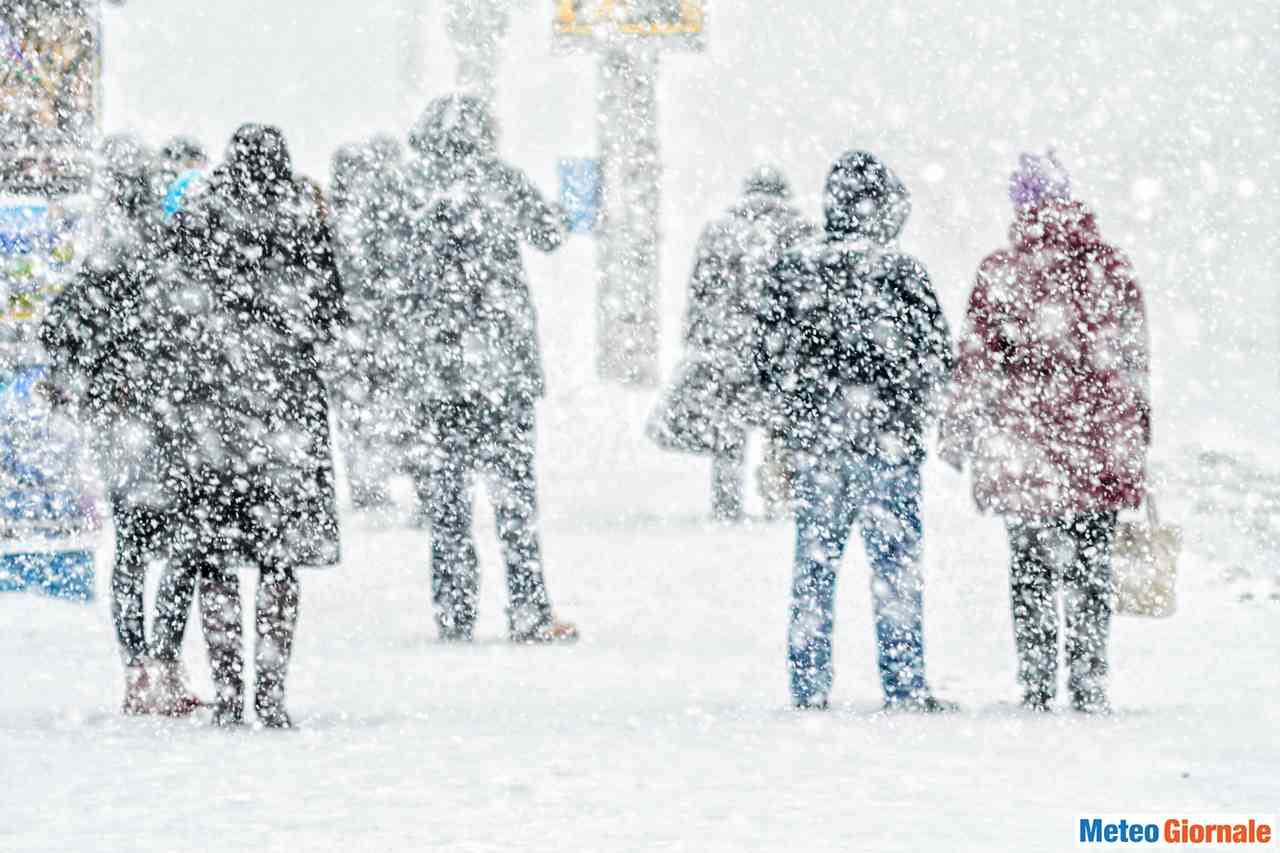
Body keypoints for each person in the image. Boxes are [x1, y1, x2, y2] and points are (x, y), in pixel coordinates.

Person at [940, 151, 1150, 714]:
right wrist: (1136, 441)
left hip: (1025, 446)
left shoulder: (1001, 271)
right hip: (1098, 444)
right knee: (1091, 569)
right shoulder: (1112, 268)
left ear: (1020, 205)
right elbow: (1133, 363)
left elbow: (977, 361)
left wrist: (957, 434)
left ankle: (1036, 687)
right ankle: (1088, 684)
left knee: (1030, 570)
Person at [373, 94, 576, 644]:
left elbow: (374, 262)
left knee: (447, 500)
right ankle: (530, 612)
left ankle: (455, 613)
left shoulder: (403, 187)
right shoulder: (499, 180)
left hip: (436, 373)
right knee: (515, 499)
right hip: (501, 371)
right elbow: (550, 235)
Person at [757, 150, 956, 712]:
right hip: (888, 445)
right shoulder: (901, 272)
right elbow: (939, 358)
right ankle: (904, 684)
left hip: (819, 443)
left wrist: (799, 410)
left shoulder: (793, 268)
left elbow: (767, 360)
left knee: (814, 569)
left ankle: (809, 685)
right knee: (895, 569)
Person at [170, 124, 346, 727]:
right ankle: (270, 695)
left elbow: (173, 310)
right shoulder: (303, 217)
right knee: (280, 560)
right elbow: (330, 313)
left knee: (215, 559)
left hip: (213, 413)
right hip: (285, 412)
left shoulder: (200, 218)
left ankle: (228, 695)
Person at [40, 133, 202, 716]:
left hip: (119, 415)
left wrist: (89, 378)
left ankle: (137, 670)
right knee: (183, 546)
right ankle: (167, 661)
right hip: (176, 416)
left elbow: (57, 332)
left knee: (132, 546)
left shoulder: (104, 256)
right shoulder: (173, 252)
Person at [651, 167, 813, 522]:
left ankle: (727, 505)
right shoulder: (801, 233)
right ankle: (781, 500)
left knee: (730, 428)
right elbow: (807, 297)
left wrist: (695, 338)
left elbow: (700, 292)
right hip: (777, 349)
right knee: (782, 426)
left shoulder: (720, 232)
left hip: (725, 346)